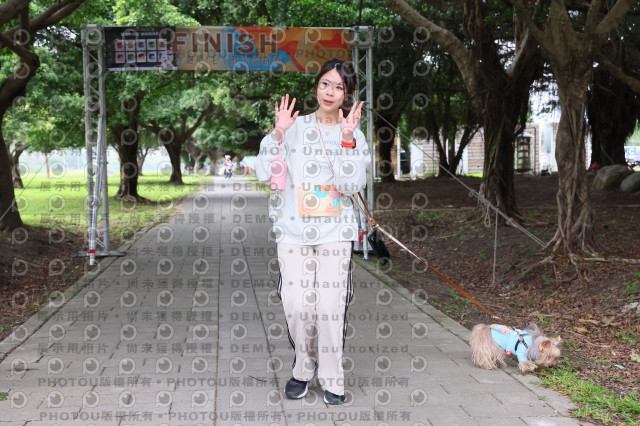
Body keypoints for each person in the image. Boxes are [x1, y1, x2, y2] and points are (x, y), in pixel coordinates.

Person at [256, 59, 370, 405]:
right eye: (325, 84)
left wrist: (347, 140)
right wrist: (277, 133)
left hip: (335, 231)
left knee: (330, 307)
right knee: (297, 306)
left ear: (347, 94)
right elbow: (265, 174)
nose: (330, 92)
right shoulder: (294, 127)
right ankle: (302, 368)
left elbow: (352, 185)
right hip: (293, 231)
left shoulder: (354, 132)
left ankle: (333, 377)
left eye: (338, 87)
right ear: (316, 86)